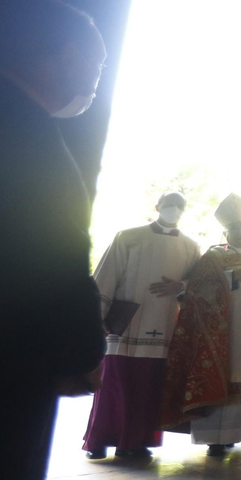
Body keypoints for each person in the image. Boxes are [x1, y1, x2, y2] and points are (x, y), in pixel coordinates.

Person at [0, 0, 108, 480]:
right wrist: (79, 353)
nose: (95, 78)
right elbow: (56, 259)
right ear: (60, 54)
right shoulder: (27, 134)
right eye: (93, 62)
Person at [162, 194, 241, 456]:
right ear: (226, 231)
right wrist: (232, 278)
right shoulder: (214, 256)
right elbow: (197, 289)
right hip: (227, 334)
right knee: (225, 379)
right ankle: (217, 438)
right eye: (236, 228)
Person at [82, 192, 200, 459]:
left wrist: (180, 286)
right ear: (157, 207)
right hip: (124, 324)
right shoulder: (129, 237)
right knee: (112, 384)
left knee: (148, 388)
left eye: (180, 206)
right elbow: (106, 276)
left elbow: (200, 284)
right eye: (169, 204)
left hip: (163, 324)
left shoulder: (191, 247)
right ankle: (98, 442)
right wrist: (96, 319)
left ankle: (133, 444)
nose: (174, 209)